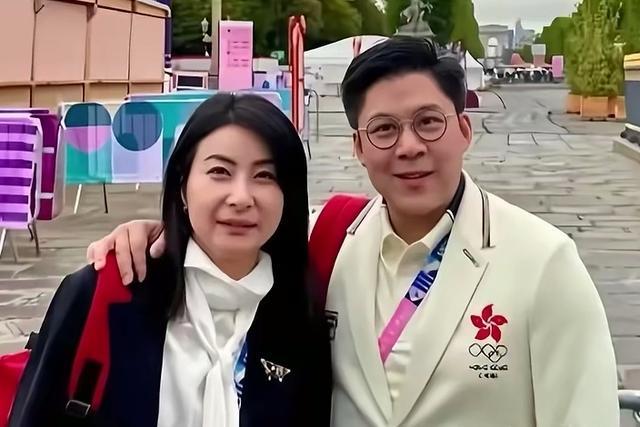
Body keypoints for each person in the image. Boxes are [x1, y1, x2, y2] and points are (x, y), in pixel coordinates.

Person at [86, 37, 619, 426]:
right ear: (359, 148)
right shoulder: (329, 237)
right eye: (384, 129)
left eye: (428, 122)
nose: (409, 147)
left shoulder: (543, 262)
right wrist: (153, 231)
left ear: (463, 130)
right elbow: (234, 230)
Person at [9, 93, 332, 427]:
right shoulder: (107, 293)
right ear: (182, 186)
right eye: (220, 171)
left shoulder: (301, 318)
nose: (241, 197)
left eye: (265, 175)